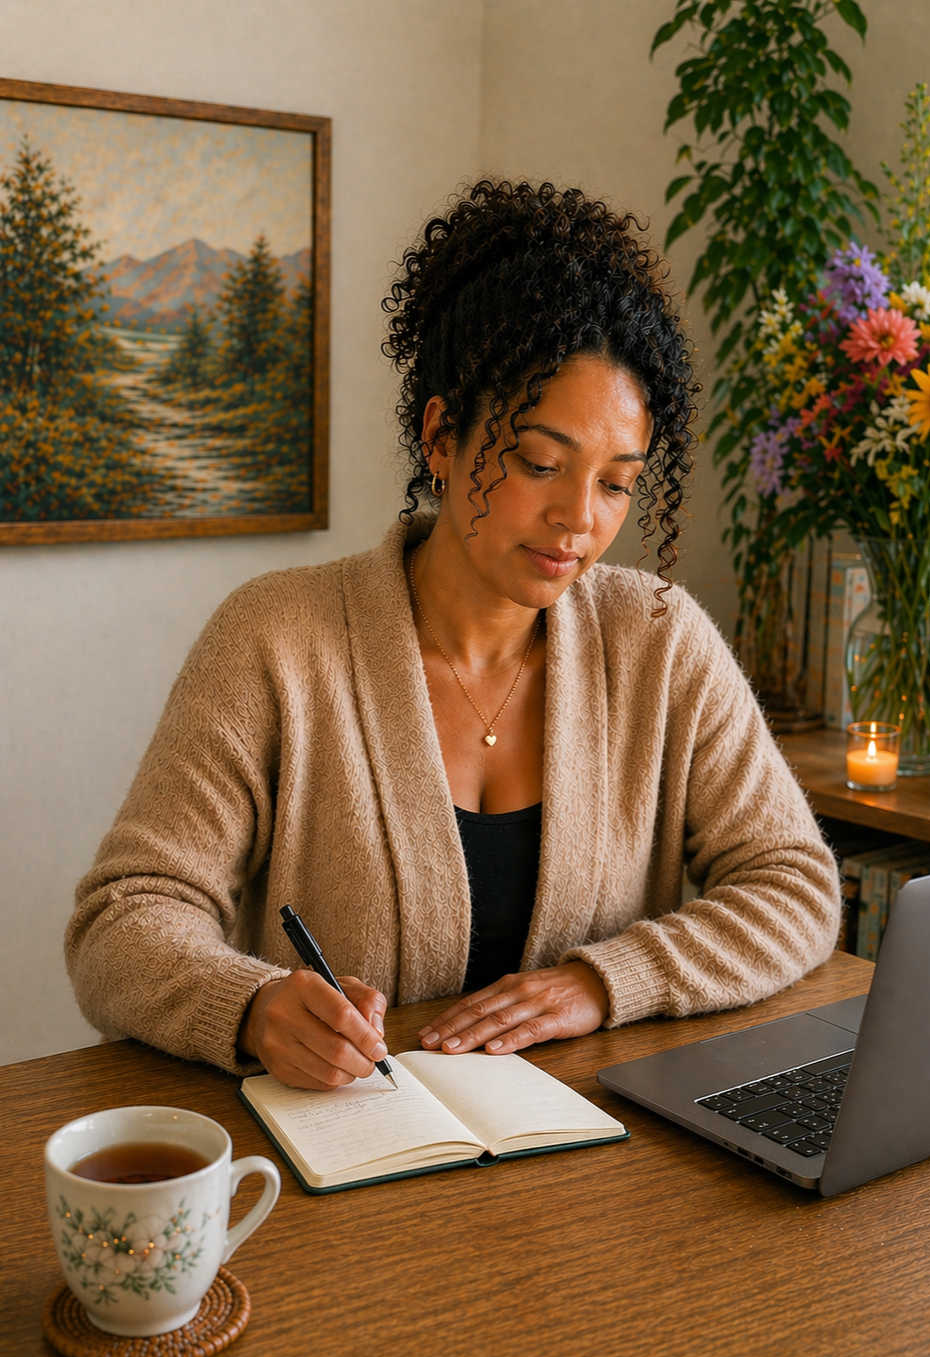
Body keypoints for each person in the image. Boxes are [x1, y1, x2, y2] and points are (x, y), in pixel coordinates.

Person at [66, 180, 840, 1091]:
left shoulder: (659, 642)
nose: (576, 520)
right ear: (441, 435)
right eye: (539, 463)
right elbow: (123, 919)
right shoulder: (276, 640)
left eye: (616, 484)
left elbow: (793, 883)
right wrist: (251, 1005)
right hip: (351, 1167)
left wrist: (607, 981)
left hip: (607, 1170)